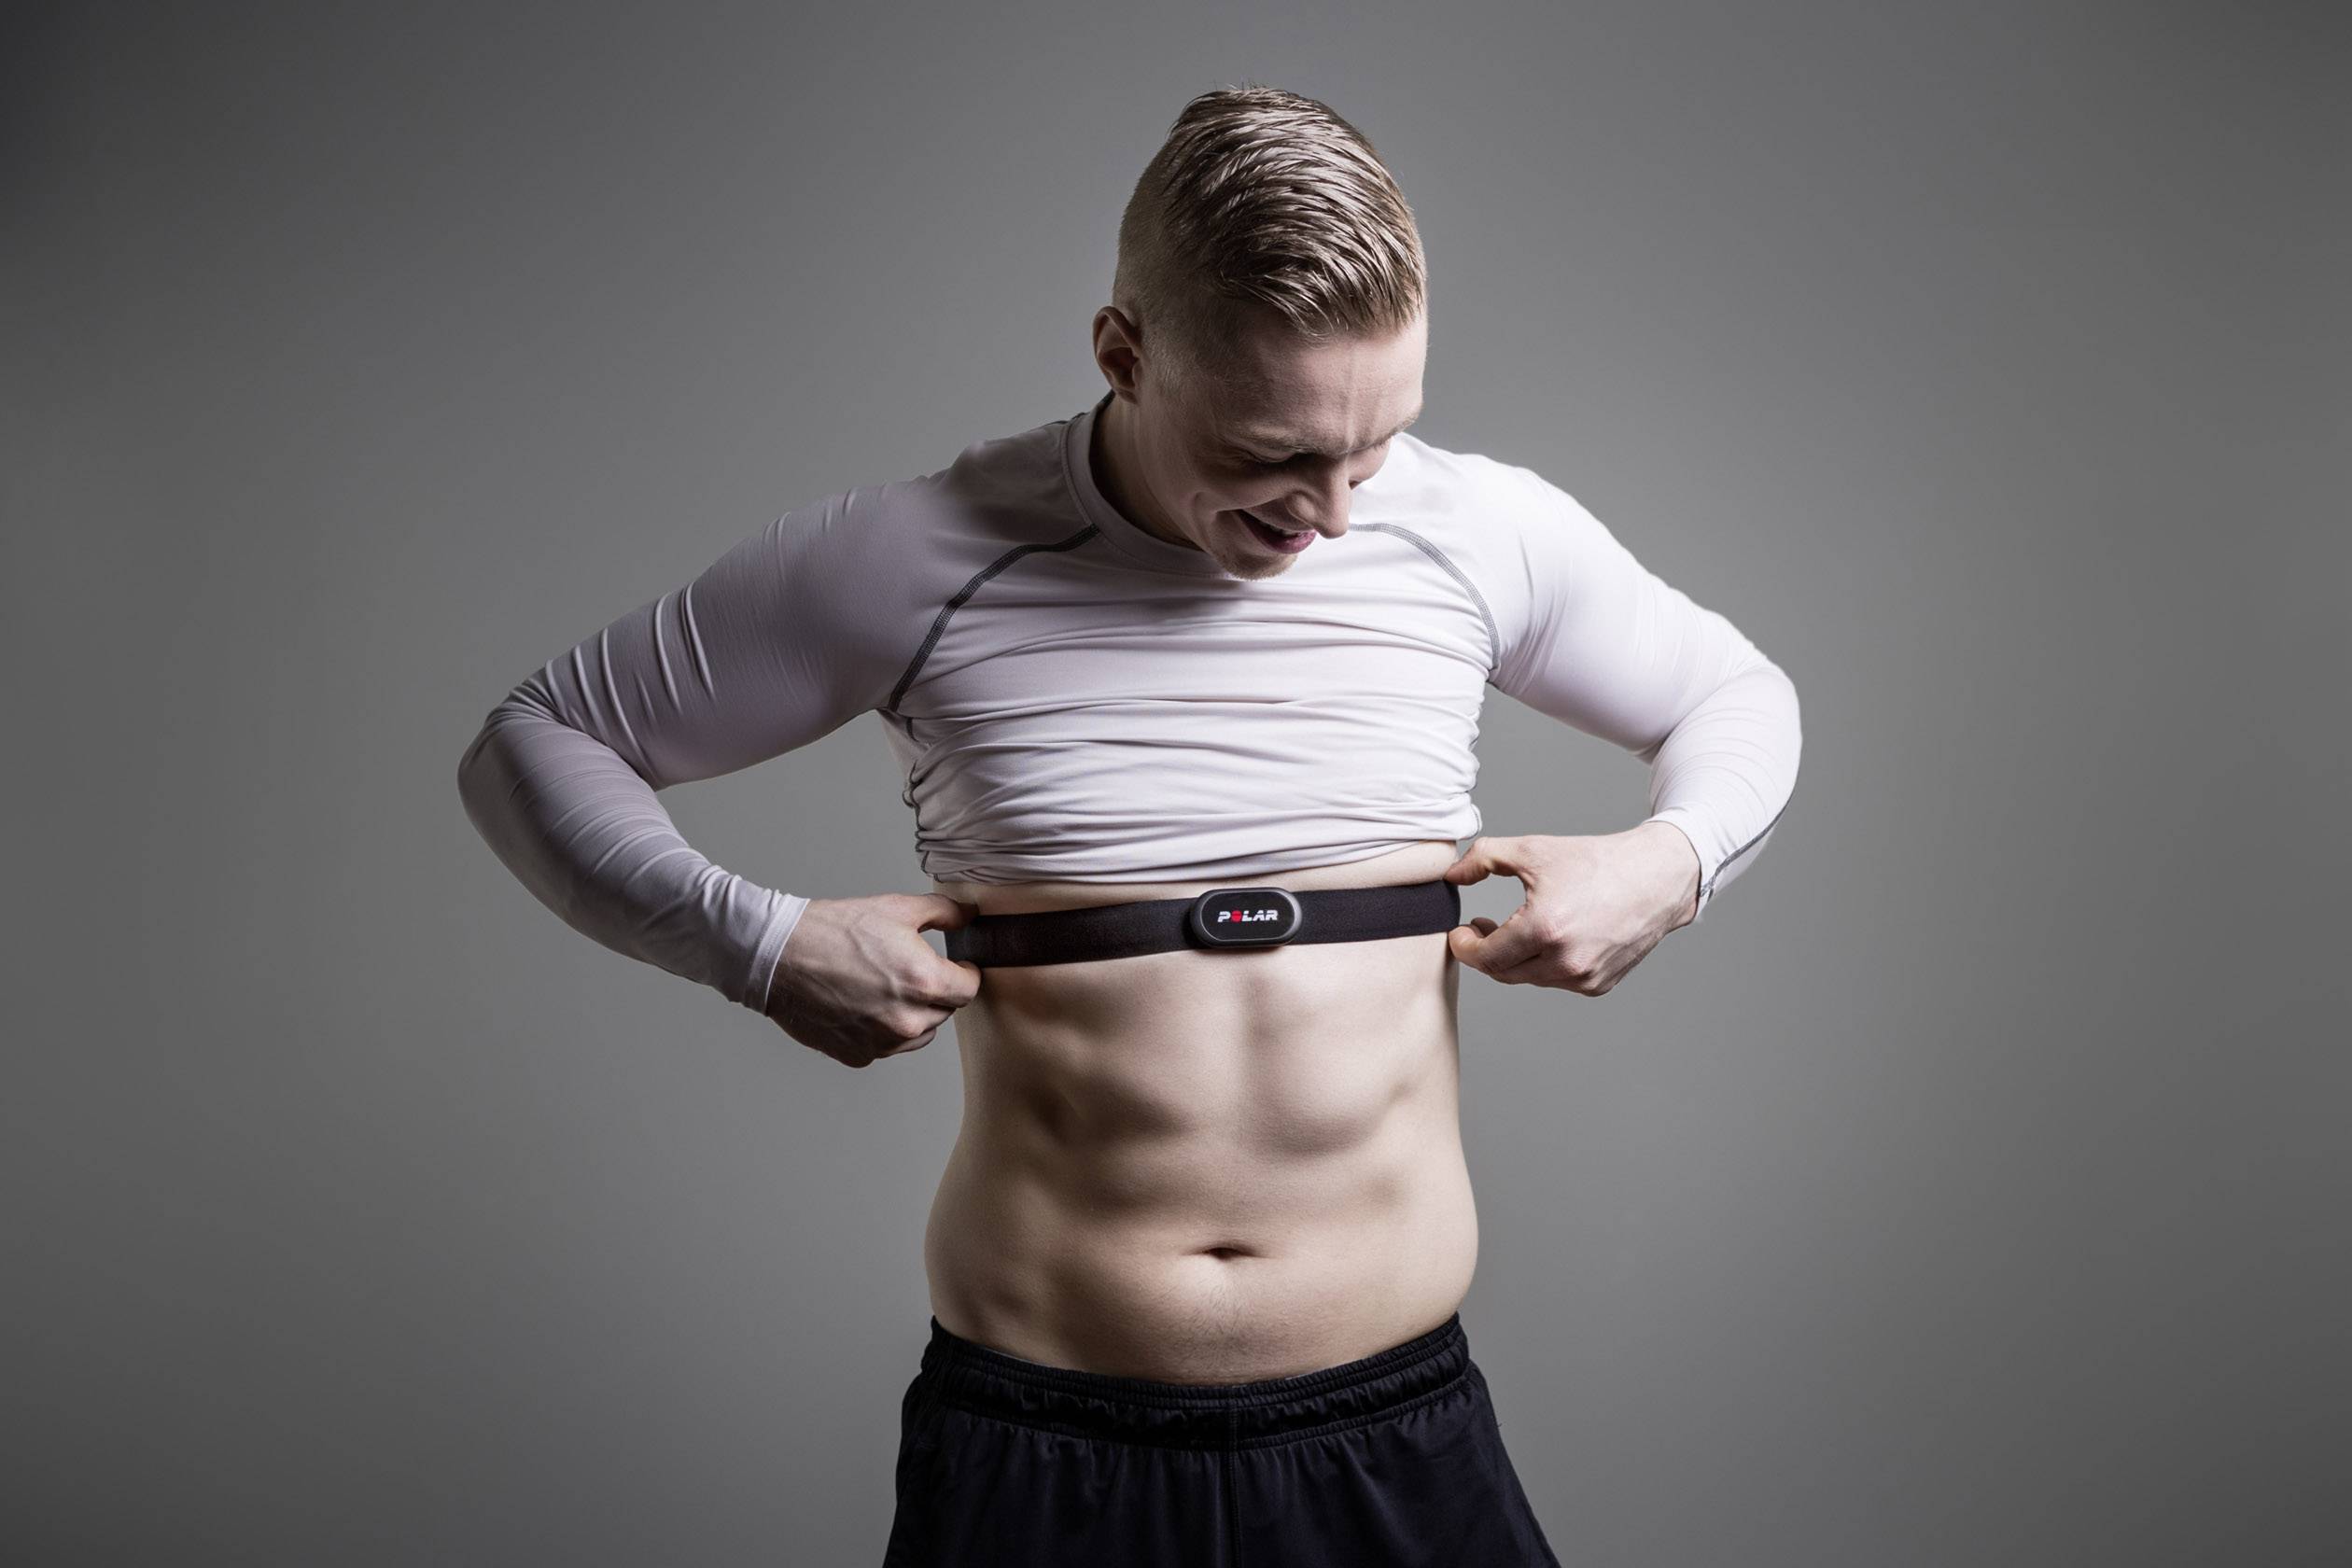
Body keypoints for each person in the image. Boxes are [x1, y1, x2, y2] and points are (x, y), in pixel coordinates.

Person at [457, 83, 1800, 1568]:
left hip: (1395, 1438)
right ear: (1124, 353)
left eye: (1374, 448)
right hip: (1041, 1452)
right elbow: (534, 740)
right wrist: (761, 946)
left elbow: (1737, 696)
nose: (1334, 516)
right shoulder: (922, 556)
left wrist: (1667, 869)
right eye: (1271, 455)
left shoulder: (1480, 531)